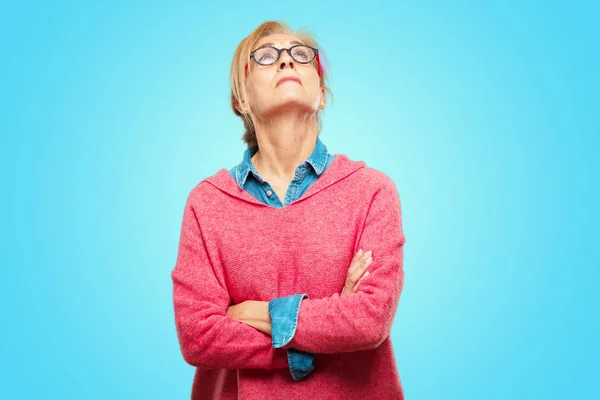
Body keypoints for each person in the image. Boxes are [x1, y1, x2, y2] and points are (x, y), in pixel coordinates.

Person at [171, 20, 406, 400]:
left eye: (301, 55)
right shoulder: (208, 202)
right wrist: (314, 337)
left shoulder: (371, 191)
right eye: (265, 57)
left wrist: (253, 313)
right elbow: (198, 336)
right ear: (240, 99)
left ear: (322, 94)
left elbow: (367, 320)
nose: (286, 62)